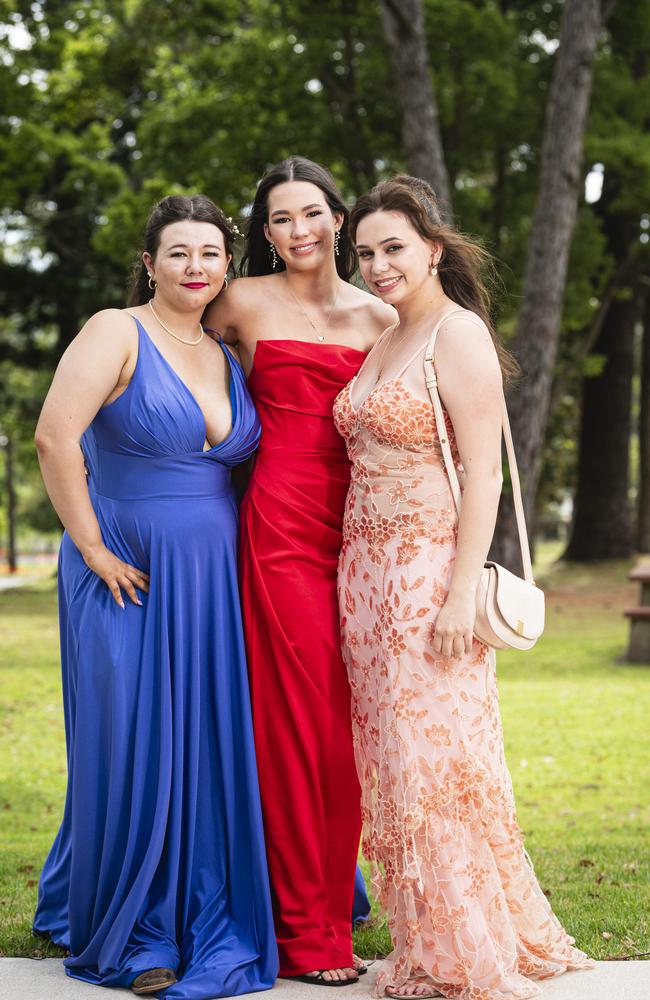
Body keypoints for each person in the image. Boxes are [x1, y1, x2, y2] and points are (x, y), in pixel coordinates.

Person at [334, 175, 594, 1000]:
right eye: (365, 252)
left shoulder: (459, 333)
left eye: (393, 248)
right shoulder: (384, 340)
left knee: (435, 762)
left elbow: (484, 471)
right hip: (362, 576)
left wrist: (453, 596)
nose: (376, 265)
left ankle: (462, 947)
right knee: (390, 765)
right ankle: (424, 933)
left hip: (425, 570)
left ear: (433, 249)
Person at [32, 195, 278, 998]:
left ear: (226, 264)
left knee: (204, 742)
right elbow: (55, 435)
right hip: (124, 570)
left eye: (211, 253)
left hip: (213, 578)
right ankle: (137, 932)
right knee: (132, 741)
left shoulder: (223, 353)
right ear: (149, 263)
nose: (196, 267)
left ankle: (199, 902)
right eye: (178, 253)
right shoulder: (115, 329)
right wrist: (93, 545)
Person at [204, 157, 393, 986]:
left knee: (345, 737)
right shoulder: (240, 301)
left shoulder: (383, 316)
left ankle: (324, 900)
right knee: (299, 726)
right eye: (279, 219)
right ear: (264, 231)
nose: (298, 232)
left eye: (310, 213)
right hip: (278, 526)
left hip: (364, 532)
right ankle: (306, 933)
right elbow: (170, 357)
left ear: (340, 219)